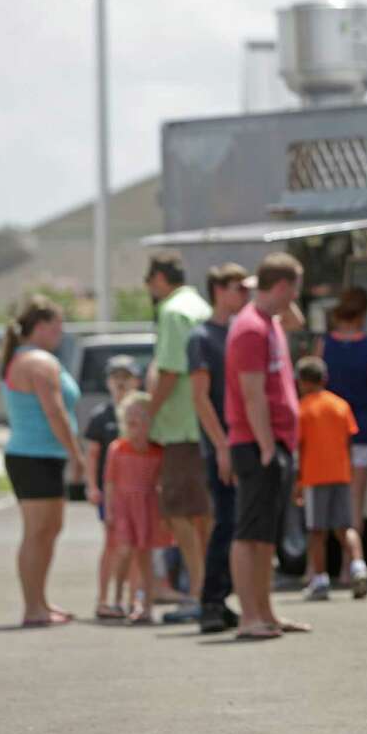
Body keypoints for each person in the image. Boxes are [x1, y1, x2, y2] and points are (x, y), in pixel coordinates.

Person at [226, 252, 310, 640]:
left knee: (266, 536)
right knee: (249, 533)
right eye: (294, 287)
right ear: (281, 286)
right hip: (258, 442)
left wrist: (274, 296)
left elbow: (297, 321)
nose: (297, 296)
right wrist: (264, 446)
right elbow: (251, 394)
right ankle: (249, 617)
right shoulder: (249, 329)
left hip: (277, 441)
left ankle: (266, 613)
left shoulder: (270, 322)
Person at [0, 295, 83, 627]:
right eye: (57, 324)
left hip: (43, 456)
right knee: (37, 532)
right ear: (41, 326)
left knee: (50, 529)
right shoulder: (37, 362)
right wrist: (77, 455)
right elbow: (55, 412)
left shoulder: (34, 359)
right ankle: (32, 607)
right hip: (31, 456)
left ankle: (41, 601)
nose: (61, 331)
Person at [144, 252, 214, 623]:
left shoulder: (172, 312)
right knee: (202, 511)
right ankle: (204, 586)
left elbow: (171, 371)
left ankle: (198, 589)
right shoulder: (199, 305)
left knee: (179, 512)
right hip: (202, 424)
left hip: (180, 427)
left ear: (158, 278)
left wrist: (147, 412)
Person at [188, 262, 251, 633]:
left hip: (247, 438)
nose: (244, 294)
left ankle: (230, 597)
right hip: (224, 444)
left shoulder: (247, 328)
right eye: (238, 287)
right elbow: (200, 398)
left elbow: (292, 319)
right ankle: (211, 601)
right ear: (218, 290)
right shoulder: (202, 337)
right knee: (227, 521)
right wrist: (221, 446)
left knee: (247, 523)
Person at [315, 286, 367, 578]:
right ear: (363, 313)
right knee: (355, 500)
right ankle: (351, 566)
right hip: (364, 428)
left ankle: (319, 566)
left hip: (330, 432)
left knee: (328, 498)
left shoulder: (324, 345)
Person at [293, 356, 367, 601]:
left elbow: (299, 447)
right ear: (324, 378)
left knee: (317, 531)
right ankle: (359, 566)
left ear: (301, 382)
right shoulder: (340, 406)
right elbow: (349, 441)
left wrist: (297, 483)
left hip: (315, 477)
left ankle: (320, 579)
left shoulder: (302, 409)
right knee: (345, 527)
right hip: (340, 474)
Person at [83, 355, 141, 620]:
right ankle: (104, 598)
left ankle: (133, 598)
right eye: (116, 377)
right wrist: (92, 486)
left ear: (136, 381)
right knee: (112, 545)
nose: (121, 383)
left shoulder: (142, 412)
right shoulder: (101, 416)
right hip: (112, 491)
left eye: (126, 377)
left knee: (138, 545)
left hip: (138, 490)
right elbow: (93, 455)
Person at [104, 391, 170, 625]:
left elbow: (161, 483)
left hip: (146, 507)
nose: (134, 422)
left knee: (144, 556)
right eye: (129, 416)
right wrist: (109, 510)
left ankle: (145, 605)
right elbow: (110, 482)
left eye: (140, 416)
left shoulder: (157, 451)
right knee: (123, 551)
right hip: (123, 507)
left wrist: (163, 514)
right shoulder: (117, 448)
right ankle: (117, 599)